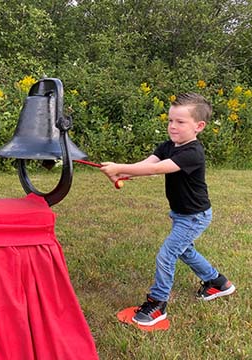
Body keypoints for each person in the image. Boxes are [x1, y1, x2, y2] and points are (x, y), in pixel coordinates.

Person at [100, 92, 235, 326]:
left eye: (180, 122)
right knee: (184, 251)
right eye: (170, 120)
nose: (173, 126)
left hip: (195, 217)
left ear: (199, 126)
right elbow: (148, 163)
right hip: (182, 214)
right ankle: (218, 283)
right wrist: (126, 171)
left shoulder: (192, 153)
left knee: (167, 254)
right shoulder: (168, 146)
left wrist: (120, 167)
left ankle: (158, 303)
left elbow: (157, 169)